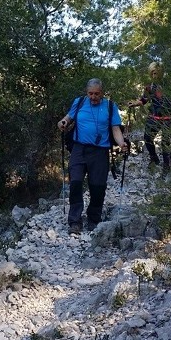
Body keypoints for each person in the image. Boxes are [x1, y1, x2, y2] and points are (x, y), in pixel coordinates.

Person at [58, 78, 127, 235]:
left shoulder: (110, 106)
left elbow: (115, 129)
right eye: (90, 93)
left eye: (96, 94)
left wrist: (122, 143)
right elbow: (68, 118)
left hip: (100, 151)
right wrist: (62, 122)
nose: (93, 97)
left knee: (97, 187)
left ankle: (94, 220)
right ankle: (75, 221)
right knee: (75, 182)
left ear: (102, 93)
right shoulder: (80, 102)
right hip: (79, 149)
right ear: (86, 92)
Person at [129, 61, 171, 174]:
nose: (154, 76)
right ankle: (154, 158)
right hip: (154, 117)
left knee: (165, 143)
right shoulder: (150, 86)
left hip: (169, 118)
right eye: (152, 73)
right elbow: (144, 100)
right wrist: (135, 103)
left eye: (156, 73)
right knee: (147, 137)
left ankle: (166, 168)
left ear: (161, 72)